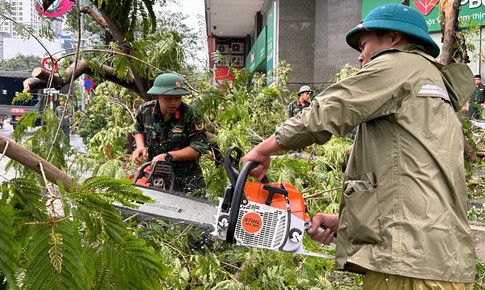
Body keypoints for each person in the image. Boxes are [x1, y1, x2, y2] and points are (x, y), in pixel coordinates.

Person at [242, 4, 476, 289]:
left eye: (364, 45)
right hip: (439, 259)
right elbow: (415, 180)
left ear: (392, 39)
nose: (361, 57)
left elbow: (328, 112)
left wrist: (263, 149)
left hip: (408, 263)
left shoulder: (398, 66)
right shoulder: (432, 82)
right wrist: (345, 221)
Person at [132, 73, 209, 196]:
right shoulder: (145, 111)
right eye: (168, 98)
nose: (174, 102)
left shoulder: (190, 115)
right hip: (157, 177)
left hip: (188, 180)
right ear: (156, 96)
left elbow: (198, 147)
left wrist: (168, 156)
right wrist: (140, 146)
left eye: (178, 98)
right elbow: (138, 129)